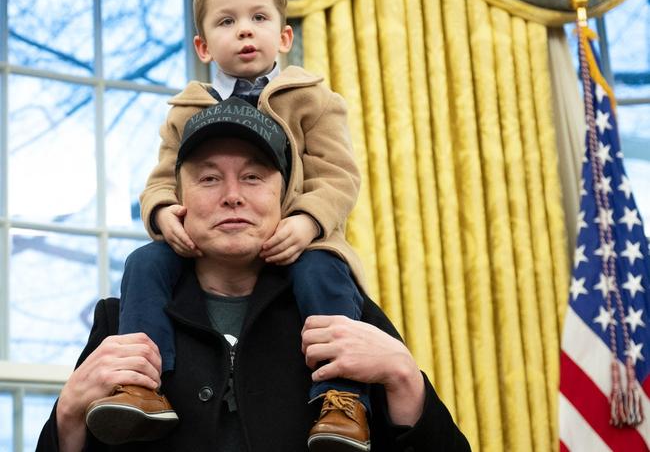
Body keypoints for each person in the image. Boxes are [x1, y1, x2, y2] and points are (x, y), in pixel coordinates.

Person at [36, 107, 471, 452]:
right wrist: (70, 411)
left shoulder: (350, 317)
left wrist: (404, 377)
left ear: (284, 200)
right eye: (208, 178)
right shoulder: (120, 320)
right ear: (178, 199)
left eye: (253, 177)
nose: (232, 195)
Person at [84, 0, 374, 450]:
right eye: (225, 22)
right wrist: (162, 214)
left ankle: (341, 398)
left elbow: (338, 175)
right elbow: (161, 180)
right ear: (202, 47)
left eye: (258, 18)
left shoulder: (313, 99)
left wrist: (306, 221)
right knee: (144, 261)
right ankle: (141, 385)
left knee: (323, 274)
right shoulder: (186, 110)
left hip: (300, 240)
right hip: (208, 246)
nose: (243, 29)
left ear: (283, 37)